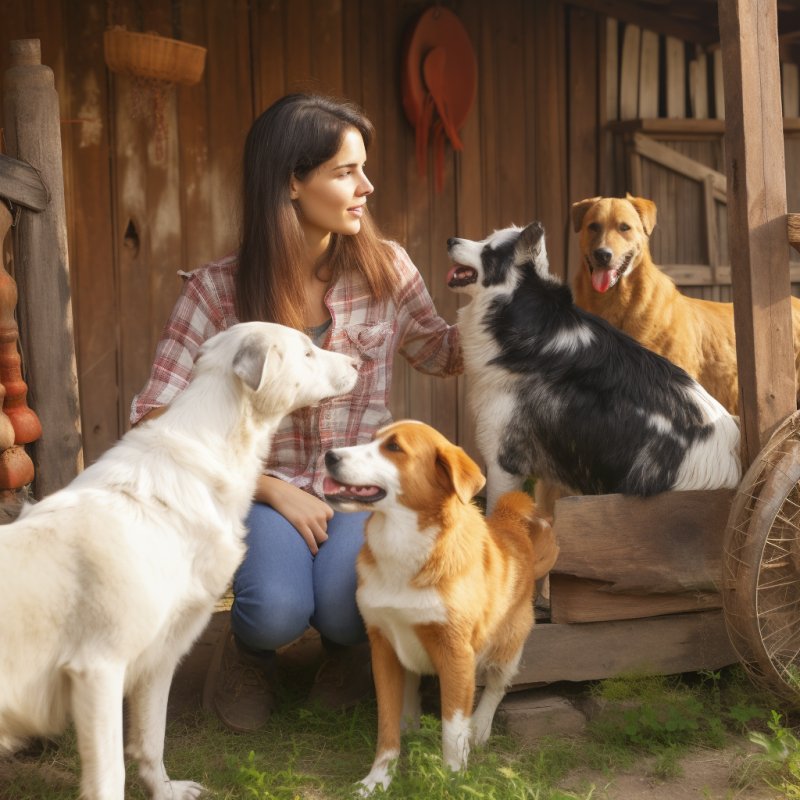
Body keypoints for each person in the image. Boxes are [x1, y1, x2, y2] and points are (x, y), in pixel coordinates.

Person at [130, 93, 462, 733]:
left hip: (358, 487)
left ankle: (346, 652)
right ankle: (250, 651)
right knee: (276, 607)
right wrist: (271, 490)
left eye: (363, 168)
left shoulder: (387, 269)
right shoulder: (218, 291)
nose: (367, 187)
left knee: (346, 607)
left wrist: (497, 297)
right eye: (346, 172)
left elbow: (442, 352)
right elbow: (153, 420)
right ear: (291, 182)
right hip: (258, 494)